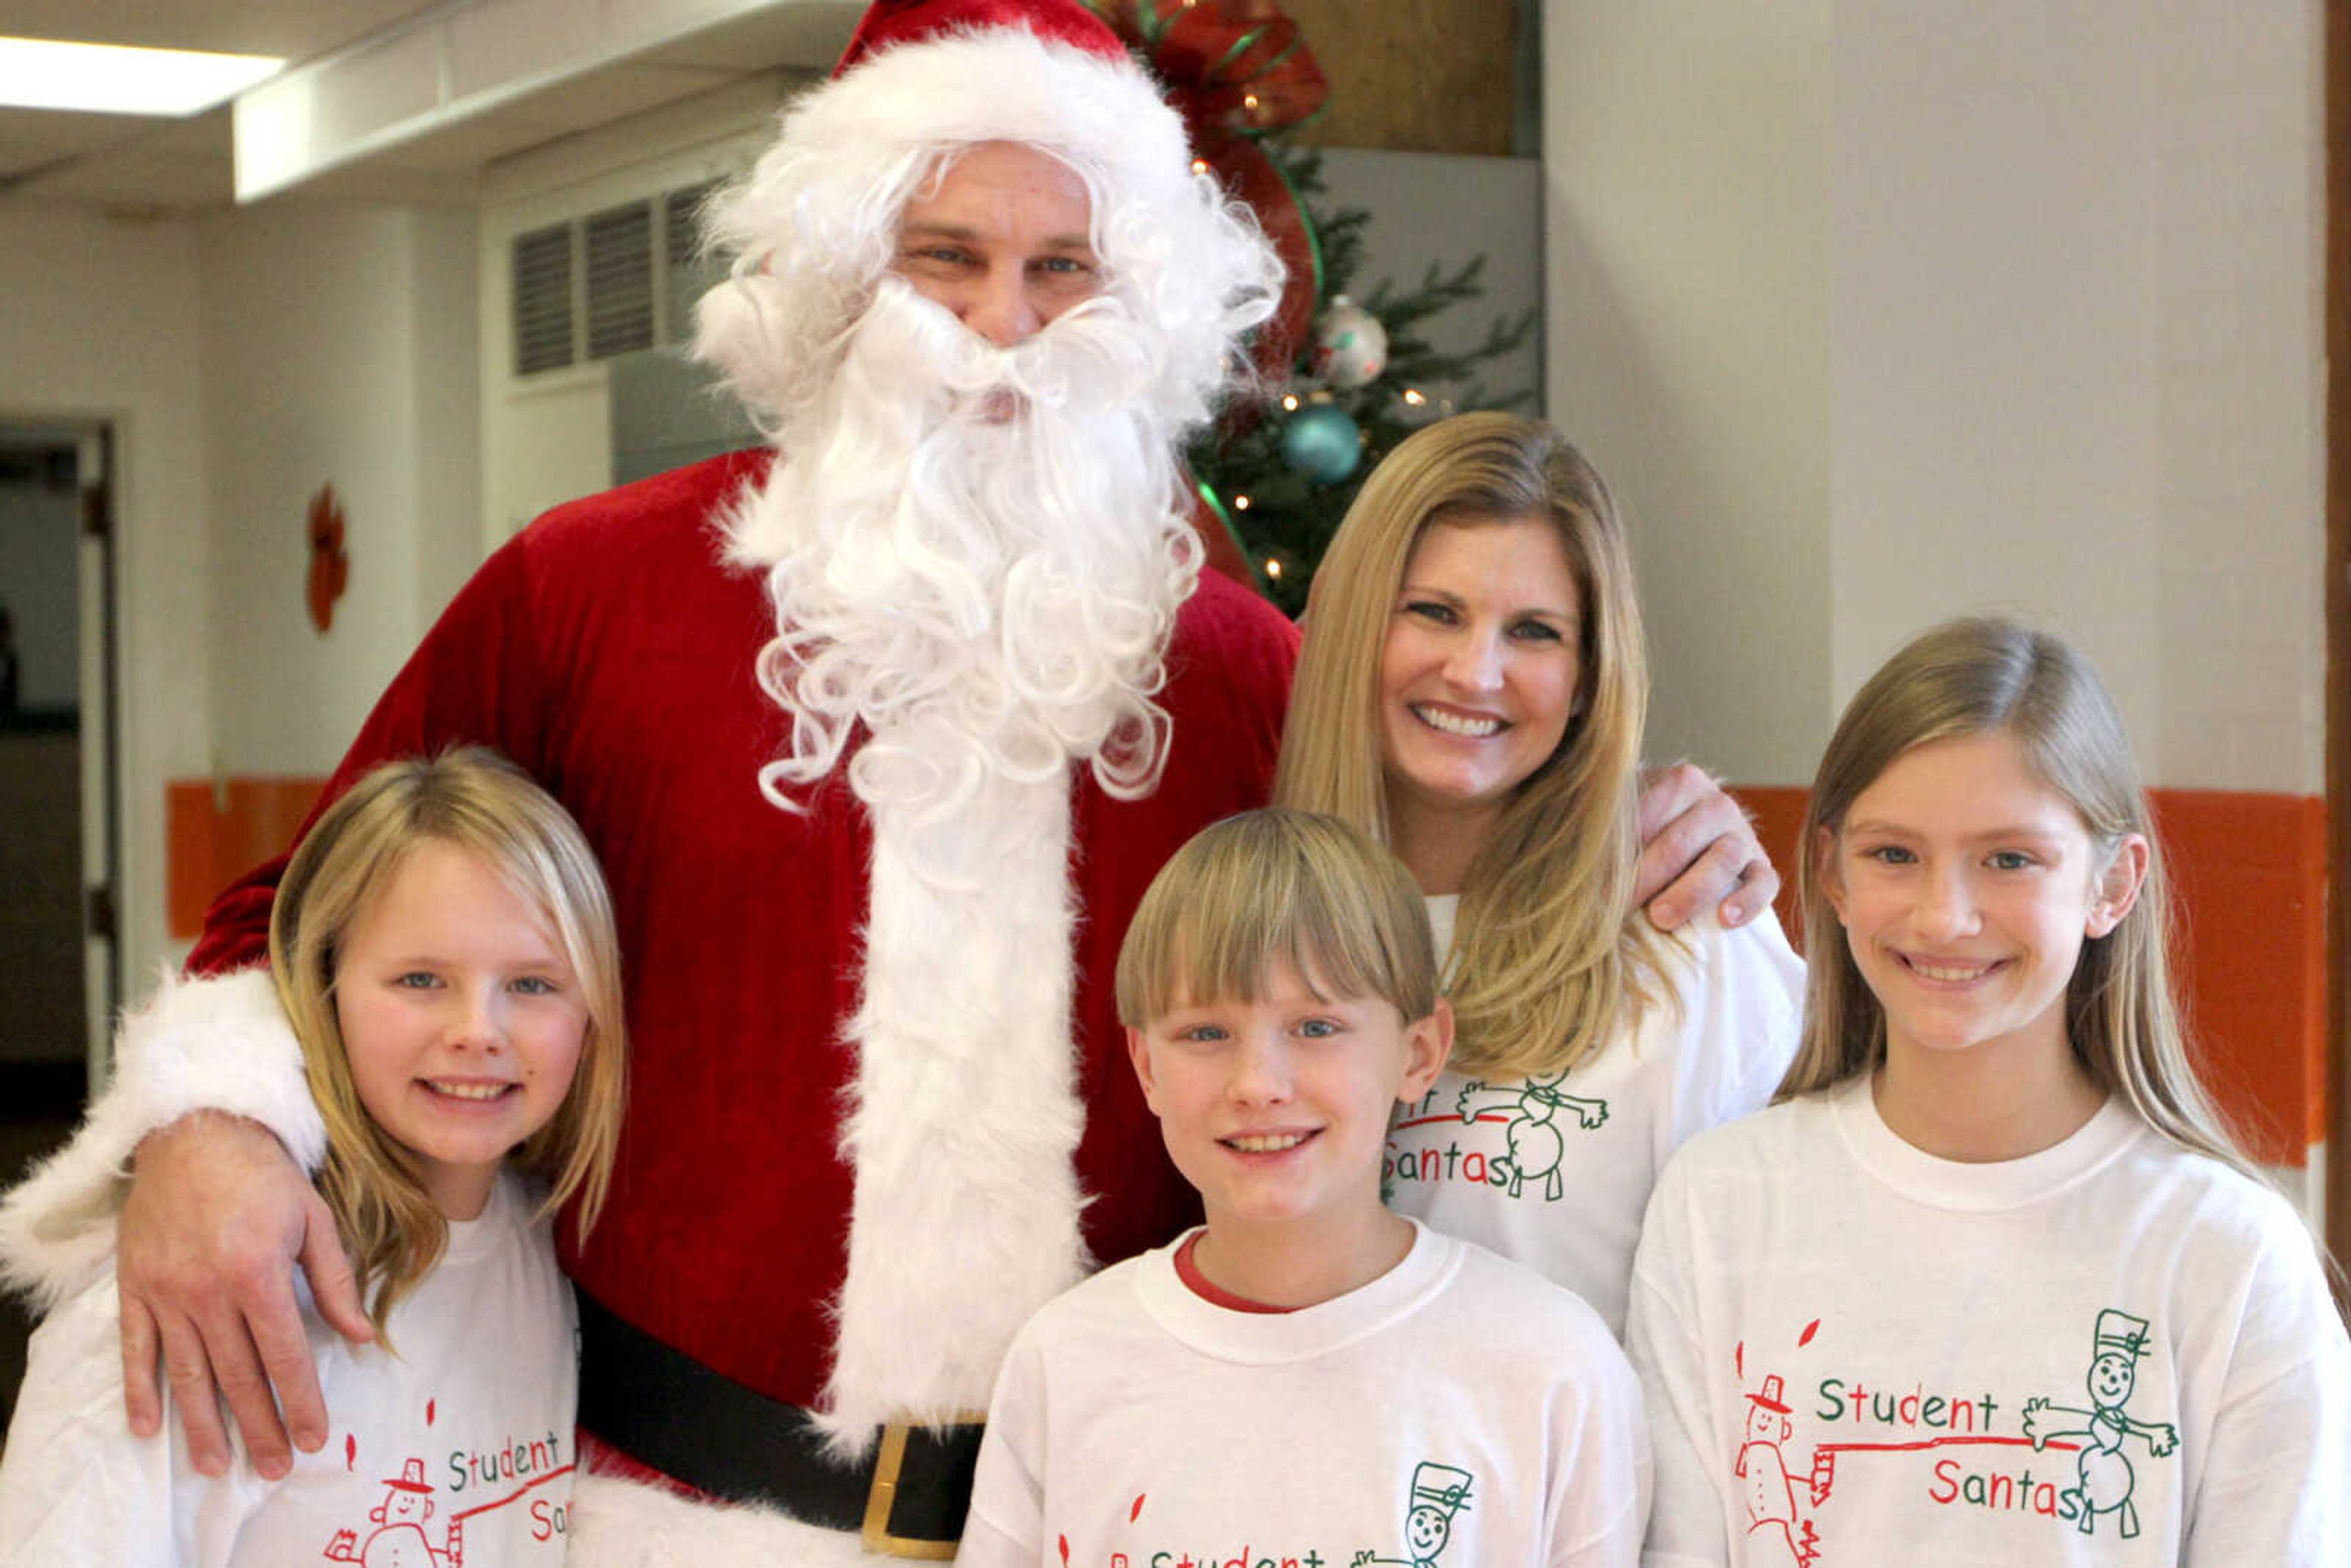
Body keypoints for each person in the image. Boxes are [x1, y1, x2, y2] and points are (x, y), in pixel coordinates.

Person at [0, 2, 1768, 1560]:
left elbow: (1414, 903)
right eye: (946, 256)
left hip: (1136, 1514)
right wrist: (218, 1129)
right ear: (844, 274)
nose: (1002, 324)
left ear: (1133, 302)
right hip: (661, 1516)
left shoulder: (1241, 667)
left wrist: (1647, 825)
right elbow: (295, 905)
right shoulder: (588, 588)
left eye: (1061, 269)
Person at [1625, 618, 2349, 1565]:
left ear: (2113, 884)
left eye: (2010, 859)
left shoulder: (2229, 1252)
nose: (1946, 915)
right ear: (1832, 873)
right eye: (1895, 854)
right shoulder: (1719, 1202)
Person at [960, 809, 1651, 1568]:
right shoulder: (1065, 1360)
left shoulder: (1553, 1367)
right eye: (1206, 1033)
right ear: (1147, 1066)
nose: (1259, 1084)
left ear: (1420, 1052)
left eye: (1317, 1027)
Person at [0, 749, 628, 1564]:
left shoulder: (547, 1249)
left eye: (535, 984)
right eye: (420, 978)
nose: (479, 1029)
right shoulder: (196, 1284)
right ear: (322, 983)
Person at [1275, 413, 1803, 1337]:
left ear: (1590, 677)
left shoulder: (1691, 932)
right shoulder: (1252, 919)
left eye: (1534, 632)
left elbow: (1773, 1320)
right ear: (1352, 622)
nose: (1476, 672)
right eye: (1433, 612)